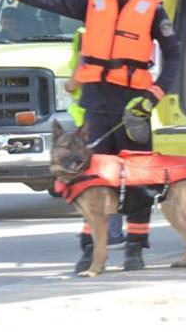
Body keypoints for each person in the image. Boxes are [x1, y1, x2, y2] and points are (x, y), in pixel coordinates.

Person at [0, 0, 180, 272]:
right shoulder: (90, 0)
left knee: (138, 179)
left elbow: (175, 55)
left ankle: (135, 248)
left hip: (133, 106)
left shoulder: (153, 7)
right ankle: (89, 250)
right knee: (92, 178)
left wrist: (153, 97)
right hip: (96, 104)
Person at [65, 26, 125, 246]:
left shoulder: (85, 32)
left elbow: (78, 73)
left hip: (92, 118)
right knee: (117, 175)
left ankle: (104, 233)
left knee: (97, 178)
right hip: (122, 111)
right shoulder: (125, 29)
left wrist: (69, 85)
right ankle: (118, 232)